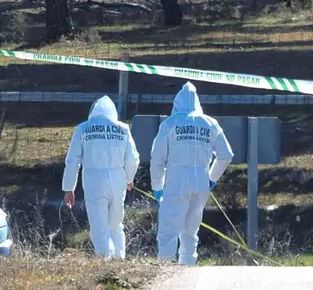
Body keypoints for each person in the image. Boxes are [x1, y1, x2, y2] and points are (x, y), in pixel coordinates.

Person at [150, 82, 234, 265]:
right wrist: (212, 178)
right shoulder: (210, 124)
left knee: (168, 230)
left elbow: (157, 159)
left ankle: (166, 273)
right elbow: (226, 155)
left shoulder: (170, 124)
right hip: (201, 182)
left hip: (176, 181)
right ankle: (188, 271)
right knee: (190, 232)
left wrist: (157, 186)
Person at [62, 95, 140, 260]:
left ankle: (106, 261)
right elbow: (133, 158)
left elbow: (73, 160)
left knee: (99, 226)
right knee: (116, 224)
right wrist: (129, 179)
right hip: (118, 178)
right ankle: (119, 259)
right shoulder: (123, 128)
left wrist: (69, 187)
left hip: (94, 179)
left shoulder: (83, 129)